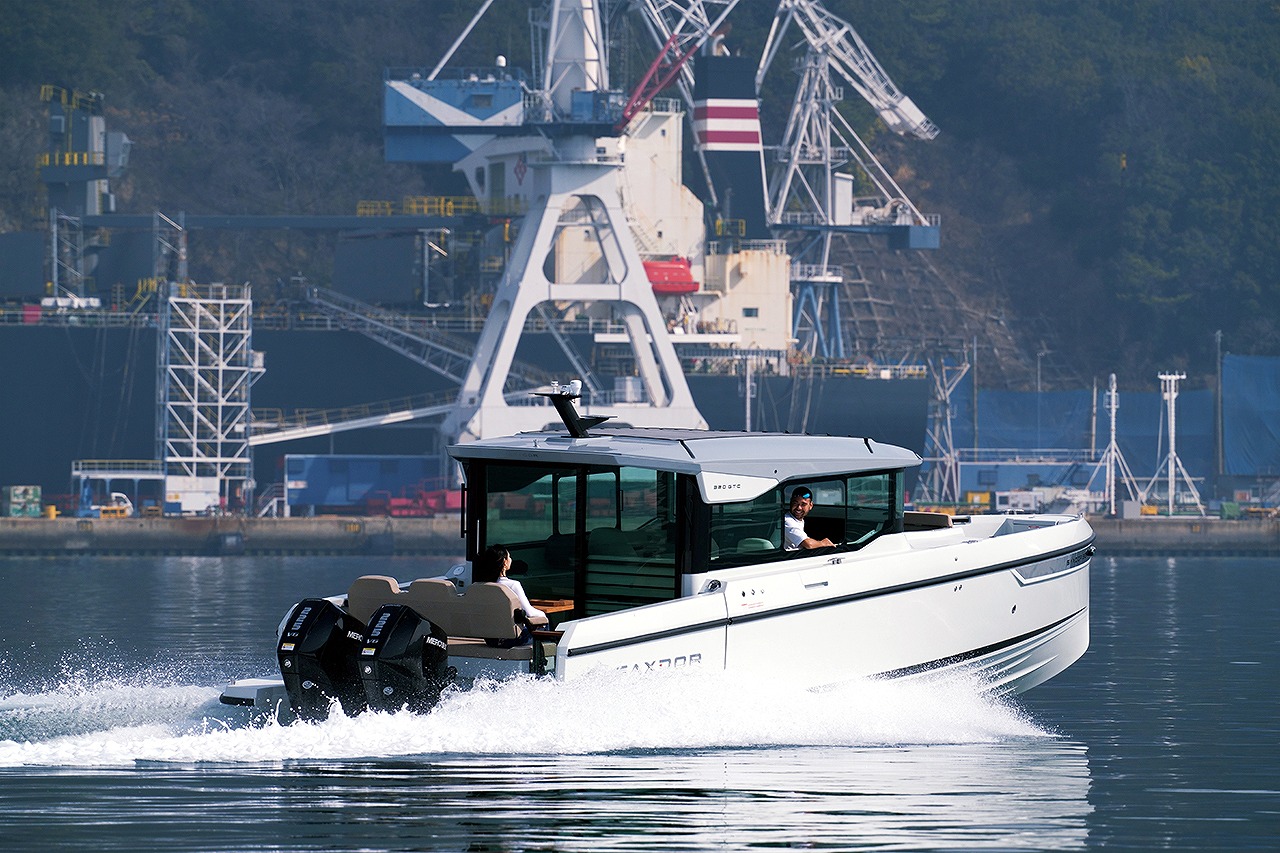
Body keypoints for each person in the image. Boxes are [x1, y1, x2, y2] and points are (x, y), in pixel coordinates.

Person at [474, 544, 547, 645]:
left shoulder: (479, 586)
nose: (511, 559)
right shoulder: (513, 585)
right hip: (512, 639)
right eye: (509, 557)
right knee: (545, 624)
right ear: (505, 562)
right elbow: (530, 613)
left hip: (491, 640)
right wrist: (544, 615)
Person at [783, 486, 835, 551]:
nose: (799, 508)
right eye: (795, 503)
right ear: (790, 503)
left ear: (811, 506)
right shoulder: (787, 521)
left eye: (803, 504)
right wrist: (823, 543)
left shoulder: (798, 520)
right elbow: (808, 544)